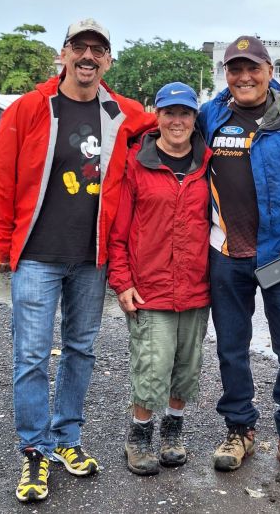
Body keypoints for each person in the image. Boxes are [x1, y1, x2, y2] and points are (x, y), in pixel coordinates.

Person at [0, 18, 156, 502]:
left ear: (108, 61)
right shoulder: (30, 108)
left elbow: (169, 121)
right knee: (32, 356)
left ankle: (67, 439)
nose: (88, 56)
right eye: (79, 47)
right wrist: (2, 250)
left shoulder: (120, 112)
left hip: (90, 259)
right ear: (62, 54)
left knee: (81, 351)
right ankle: (34, 451)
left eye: (97, 50)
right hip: (36, 257)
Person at [197, 36, 280, 479]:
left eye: (252, 68)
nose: (244, 77)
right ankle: (240, 430)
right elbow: (170, 139)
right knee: (232, 349)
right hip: (227, 254)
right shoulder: (211, 116)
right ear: (227, 76)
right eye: (235, 69)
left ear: (270, 71)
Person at [107, 82, 211, 476]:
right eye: (170, 113)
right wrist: (122, 282)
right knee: (152, 366)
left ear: (194, 118)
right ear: (158, 116)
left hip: (197, 288)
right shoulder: (137, 164)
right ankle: (138, 437)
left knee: (186, 367)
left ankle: (172, 432)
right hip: (149, 288)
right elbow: (118, 232)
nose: (177, 121)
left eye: (185, 113)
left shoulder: (208, 164)